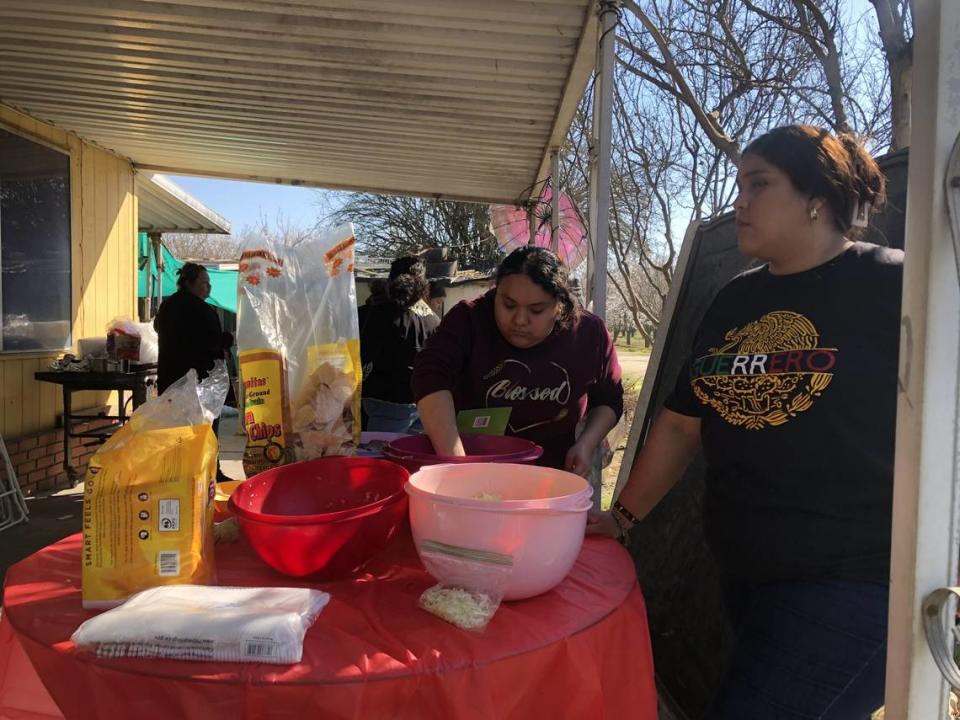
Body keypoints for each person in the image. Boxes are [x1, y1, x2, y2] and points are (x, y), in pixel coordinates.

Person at [589, 125, 900, 719]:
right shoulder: (736, 300)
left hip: (855, 582)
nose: (740, 201)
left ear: (818, 196)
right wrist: (620, 518)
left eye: (759, 184)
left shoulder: (893, 283)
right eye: (739, 184)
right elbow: (683, 425)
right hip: (748, 574)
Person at [412, 246, 623, 474]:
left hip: (552, 477)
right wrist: (457, 464)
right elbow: (430, 377)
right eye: (508, 305)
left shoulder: (588, 333)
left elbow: (609, 399)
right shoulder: (469, 320)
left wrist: (586, 443)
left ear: (560, 305)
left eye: (537, 310)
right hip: (476, 469)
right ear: (495, 291)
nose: (520, 320)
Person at [154, 262, 234, 481]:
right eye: (203, 283)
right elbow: (213, 342)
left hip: (170, 381)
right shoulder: (202, 310)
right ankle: (209, 473)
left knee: (176, 431)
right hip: (199, 383)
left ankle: (176, 474)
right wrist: (230, 338)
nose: (208, 287)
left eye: (209, 283)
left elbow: (157, 328)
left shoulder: (167, 306)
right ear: (189, 283)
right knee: (205, 430)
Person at [359, 256, 440, 432]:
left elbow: (362, 355)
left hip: (384, 398)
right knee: (412, 457)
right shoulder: (431, 318)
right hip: (424, 402)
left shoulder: (379, 311)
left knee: (379, 456)